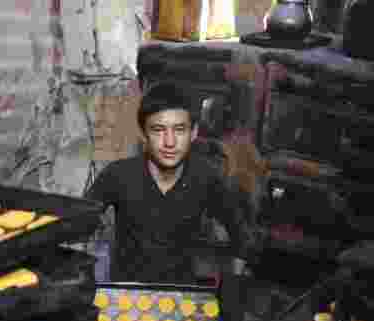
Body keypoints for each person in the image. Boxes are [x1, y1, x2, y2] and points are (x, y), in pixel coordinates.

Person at [86, 81, 265, 284]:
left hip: (181, 296)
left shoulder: (206, 178)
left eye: (179, 129)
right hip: (127, 295)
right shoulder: (117, 175)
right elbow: (79, 221)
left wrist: (233, 284)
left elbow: (241, 235)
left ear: (194, 132)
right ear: (144, 134)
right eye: (158, 130)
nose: (169, 142)